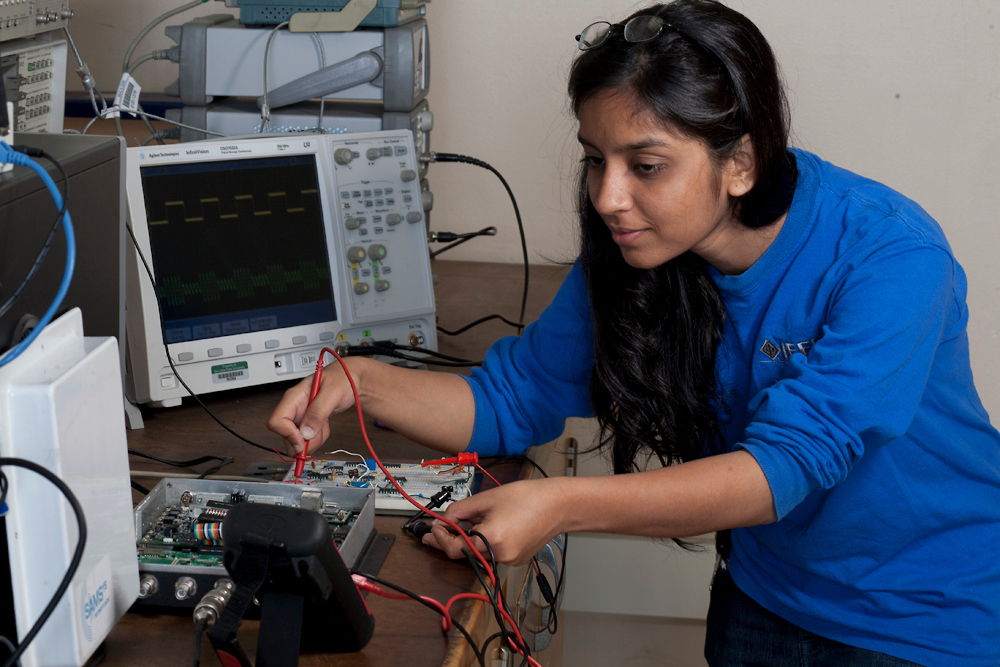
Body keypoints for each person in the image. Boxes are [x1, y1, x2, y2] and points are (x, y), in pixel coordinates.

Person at [268, 2, 1000, 665]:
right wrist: (361, 384)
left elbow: (783, 468)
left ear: (739, 162)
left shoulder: (891, 255)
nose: (609, 197)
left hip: (925, 620)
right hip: (762, 600)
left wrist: (559, 505)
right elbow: (510, 399)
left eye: (645, 165)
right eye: (595, 159)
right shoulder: (638, 251)